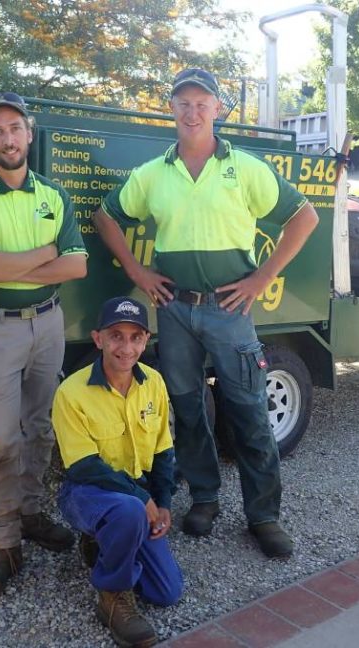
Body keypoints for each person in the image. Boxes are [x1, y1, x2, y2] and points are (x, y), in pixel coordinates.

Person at [92, 68, 320, 559]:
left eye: (202, 103)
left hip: (228, 311)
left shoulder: (245, 168)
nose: (192, 111)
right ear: (170, 109)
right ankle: (205, 499)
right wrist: (137, 270)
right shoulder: (154, 173)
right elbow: (105, 216)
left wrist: (261, 278)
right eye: (183, 103)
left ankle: (264, 515)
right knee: (189, 410)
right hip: (175, 311)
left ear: (218, 109)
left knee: (250, 412)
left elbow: (305, 217)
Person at [0, 91, 88, 601]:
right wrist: (45, 252)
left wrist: (17, 263)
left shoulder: (54, 194)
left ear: (29, 133)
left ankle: (31, 514)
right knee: (0, 441)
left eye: (14, 128)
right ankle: (4, 541)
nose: (7, 138)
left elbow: (78, 266)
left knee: (41, 428)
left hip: (49, 323)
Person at [53, 296, 182, 648]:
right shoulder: (71, 392)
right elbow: (83, 465)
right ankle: (112, 596)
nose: (126, 347)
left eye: (135, 337)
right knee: (127, 510)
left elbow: (163, 448)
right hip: (86, 493)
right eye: (116, 336)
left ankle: (109, 542)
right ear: (98, 339)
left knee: (167, 592)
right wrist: (142, 499)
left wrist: (164, 501)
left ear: (146, 340)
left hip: (135, 494)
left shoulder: (153, 381)